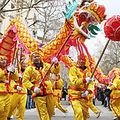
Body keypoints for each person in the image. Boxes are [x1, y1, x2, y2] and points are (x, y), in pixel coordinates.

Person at [23, 52, 59, 120]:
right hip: (38, 92)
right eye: (34, 57)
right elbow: (25, 81)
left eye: (38, 56)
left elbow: (55, 71)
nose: (37, 58)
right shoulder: (29, 69)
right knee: (43, 113)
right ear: (32, 59)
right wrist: (33, 88)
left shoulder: (47, 66)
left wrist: (56, 64)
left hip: (48, 91)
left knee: (51, 111)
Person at [68, 55, 94, 120]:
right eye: (80, 59)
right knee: (78, 112)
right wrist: (84, 80)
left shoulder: (88, 71)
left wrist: (88, 91)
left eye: (83, 60)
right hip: (74, 95)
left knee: (85, 115)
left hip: (84, 95)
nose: (81, 61)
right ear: (77, 60)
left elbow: (91, 83)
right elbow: (74, 81)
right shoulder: (73, 69)